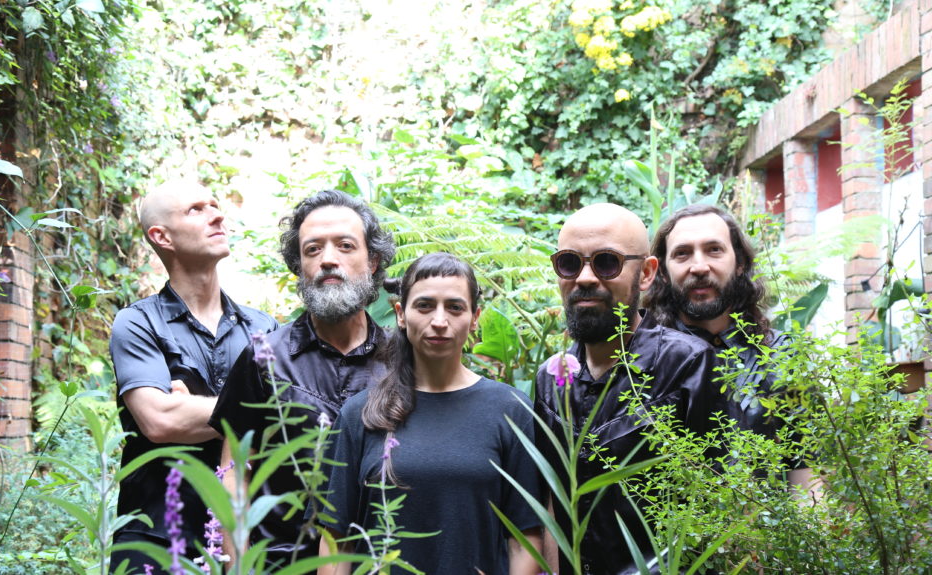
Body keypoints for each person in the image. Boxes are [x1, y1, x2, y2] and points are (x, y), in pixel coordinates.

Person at [318, 252, 543, 575]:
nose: (439, 321)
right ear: (401, 314)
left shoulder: (511, 411)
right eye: (424, 306)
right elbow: (337, 541)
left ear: (475, 318)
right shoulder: (360, 414)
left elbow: (524, 540)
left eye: (455, 307)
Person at [210, 189, 396, 565]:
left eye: (345, 246)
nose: (328, 259)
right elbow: (233, 475)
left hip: (379, 562)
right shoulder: (263, 359)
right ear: (299, 266)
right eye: (312, 249)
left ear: (373, 260)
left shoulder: (402, 363)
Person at [533, 203, 721, 575]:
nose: (585, 278)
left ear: (646, 273)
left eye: (607, 262)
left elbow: (714, 507)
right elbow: (550, 504)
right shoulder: (551, 378)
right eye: (569, 263)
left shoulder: (688, 365)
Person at [108, 181, 278, 571]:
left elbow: (288, 421)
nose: (217, 216)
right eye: (196, 210)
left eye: (215, 206)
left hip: (247, 540)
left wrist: (194, 408)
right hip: (154, 542)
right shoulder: (138, 324)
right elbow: (160, 420)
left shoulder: (264, 329)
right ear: (161, 236)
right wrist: (255, 409)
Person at [644, 203, 812, 486]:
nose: (699, 267)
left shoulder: (784, 356)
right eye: (682, 253)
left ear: (740, 263)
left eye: (714, 250)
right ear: (662, 272)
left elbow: (808, 476)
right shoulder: (641, 361)